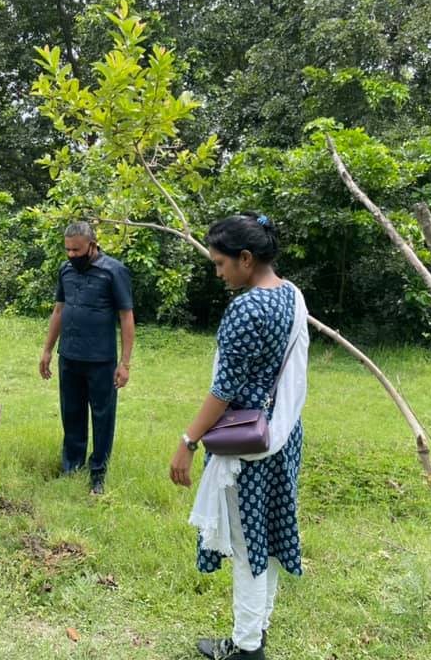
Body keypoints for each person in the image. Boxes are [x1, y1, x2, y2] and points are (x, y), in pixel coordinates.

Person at [169, 213, 309, 660]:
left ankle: (248, 649)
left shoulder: (247, 309)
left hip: (245, 445)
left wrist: (188, 441)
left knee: (249, 547)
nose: (218, 273)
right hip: (281, 435)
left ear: (245, 259)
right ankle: (257, 631)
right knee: (268, 539)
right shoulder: (290, 294)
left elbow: (223, 391)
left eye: (220, 263)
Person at [40, 221, 135, 495]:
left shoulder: (114, 271)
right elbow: (59, 310)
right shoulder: (66, 270)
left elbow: (126, 316)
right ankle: (72, 467)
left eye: (77, 250)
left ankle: (98, 475)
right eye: (68, 250)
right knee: (72, 413)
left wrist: (125, 363)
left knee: (103, 417)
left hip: (101, 360)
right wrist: (47, 349)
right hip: (69, 356)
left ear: (92, 245)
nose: (71, 255)